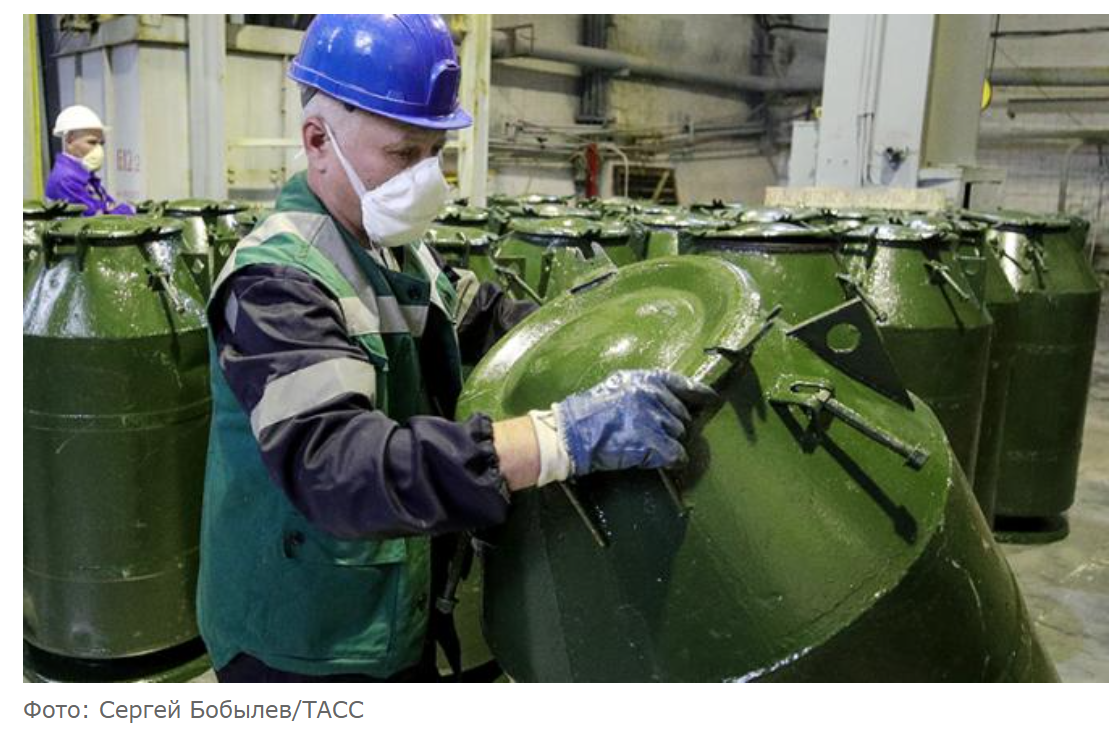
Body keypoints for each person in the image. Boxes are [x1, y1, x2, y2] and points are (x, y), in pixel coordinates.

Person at [196, 14, 716, 683]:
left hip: (393, 603)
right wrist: (557, 438)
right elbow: (339, 466)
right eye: (403, 153)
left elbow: (489, 319)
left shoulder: (395, 248)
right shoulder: (276, 284)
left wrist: (608, 341)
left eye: (434, 152)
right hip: (304, 635)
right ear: (318, 140)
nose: (427, 176)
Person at [44, 105, 134, 216]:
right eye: (92, 142)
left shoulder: (84, 178)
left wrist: (111, 209)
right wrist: (122, 209)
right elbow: (98, 219)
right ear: (69, 139)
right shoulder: (65, 180)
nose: (99, 150)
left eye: (101, 144)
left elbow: (109, 208)